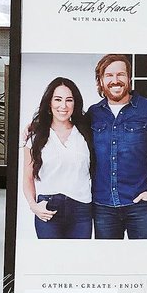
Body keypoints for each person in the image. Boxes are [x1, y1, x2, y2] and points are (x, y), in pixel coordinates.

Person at [86, 53, 147, 240]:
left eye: (120, 74)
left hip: (140, 205)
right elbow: (63, 126)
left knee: (144, 263)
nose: (115, 80)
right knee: (108, 265)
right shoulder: (93, 114)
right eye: (109, 75)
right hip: (103, 207)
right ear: (100, 81)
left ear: (129, 78)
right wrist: (33, 127)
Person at [22, 76, 94, 238]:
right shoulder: (36, 137)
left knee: (78, 261)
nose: (63, 105)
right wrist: (33, 206)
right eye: (58, 99)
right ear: (49, 103)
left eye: (69, 100)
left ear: (75, 104)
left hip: (81, 210)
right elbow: (27, 178)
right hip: (47, 208)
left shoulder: (87, 133)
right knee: (50, 261)